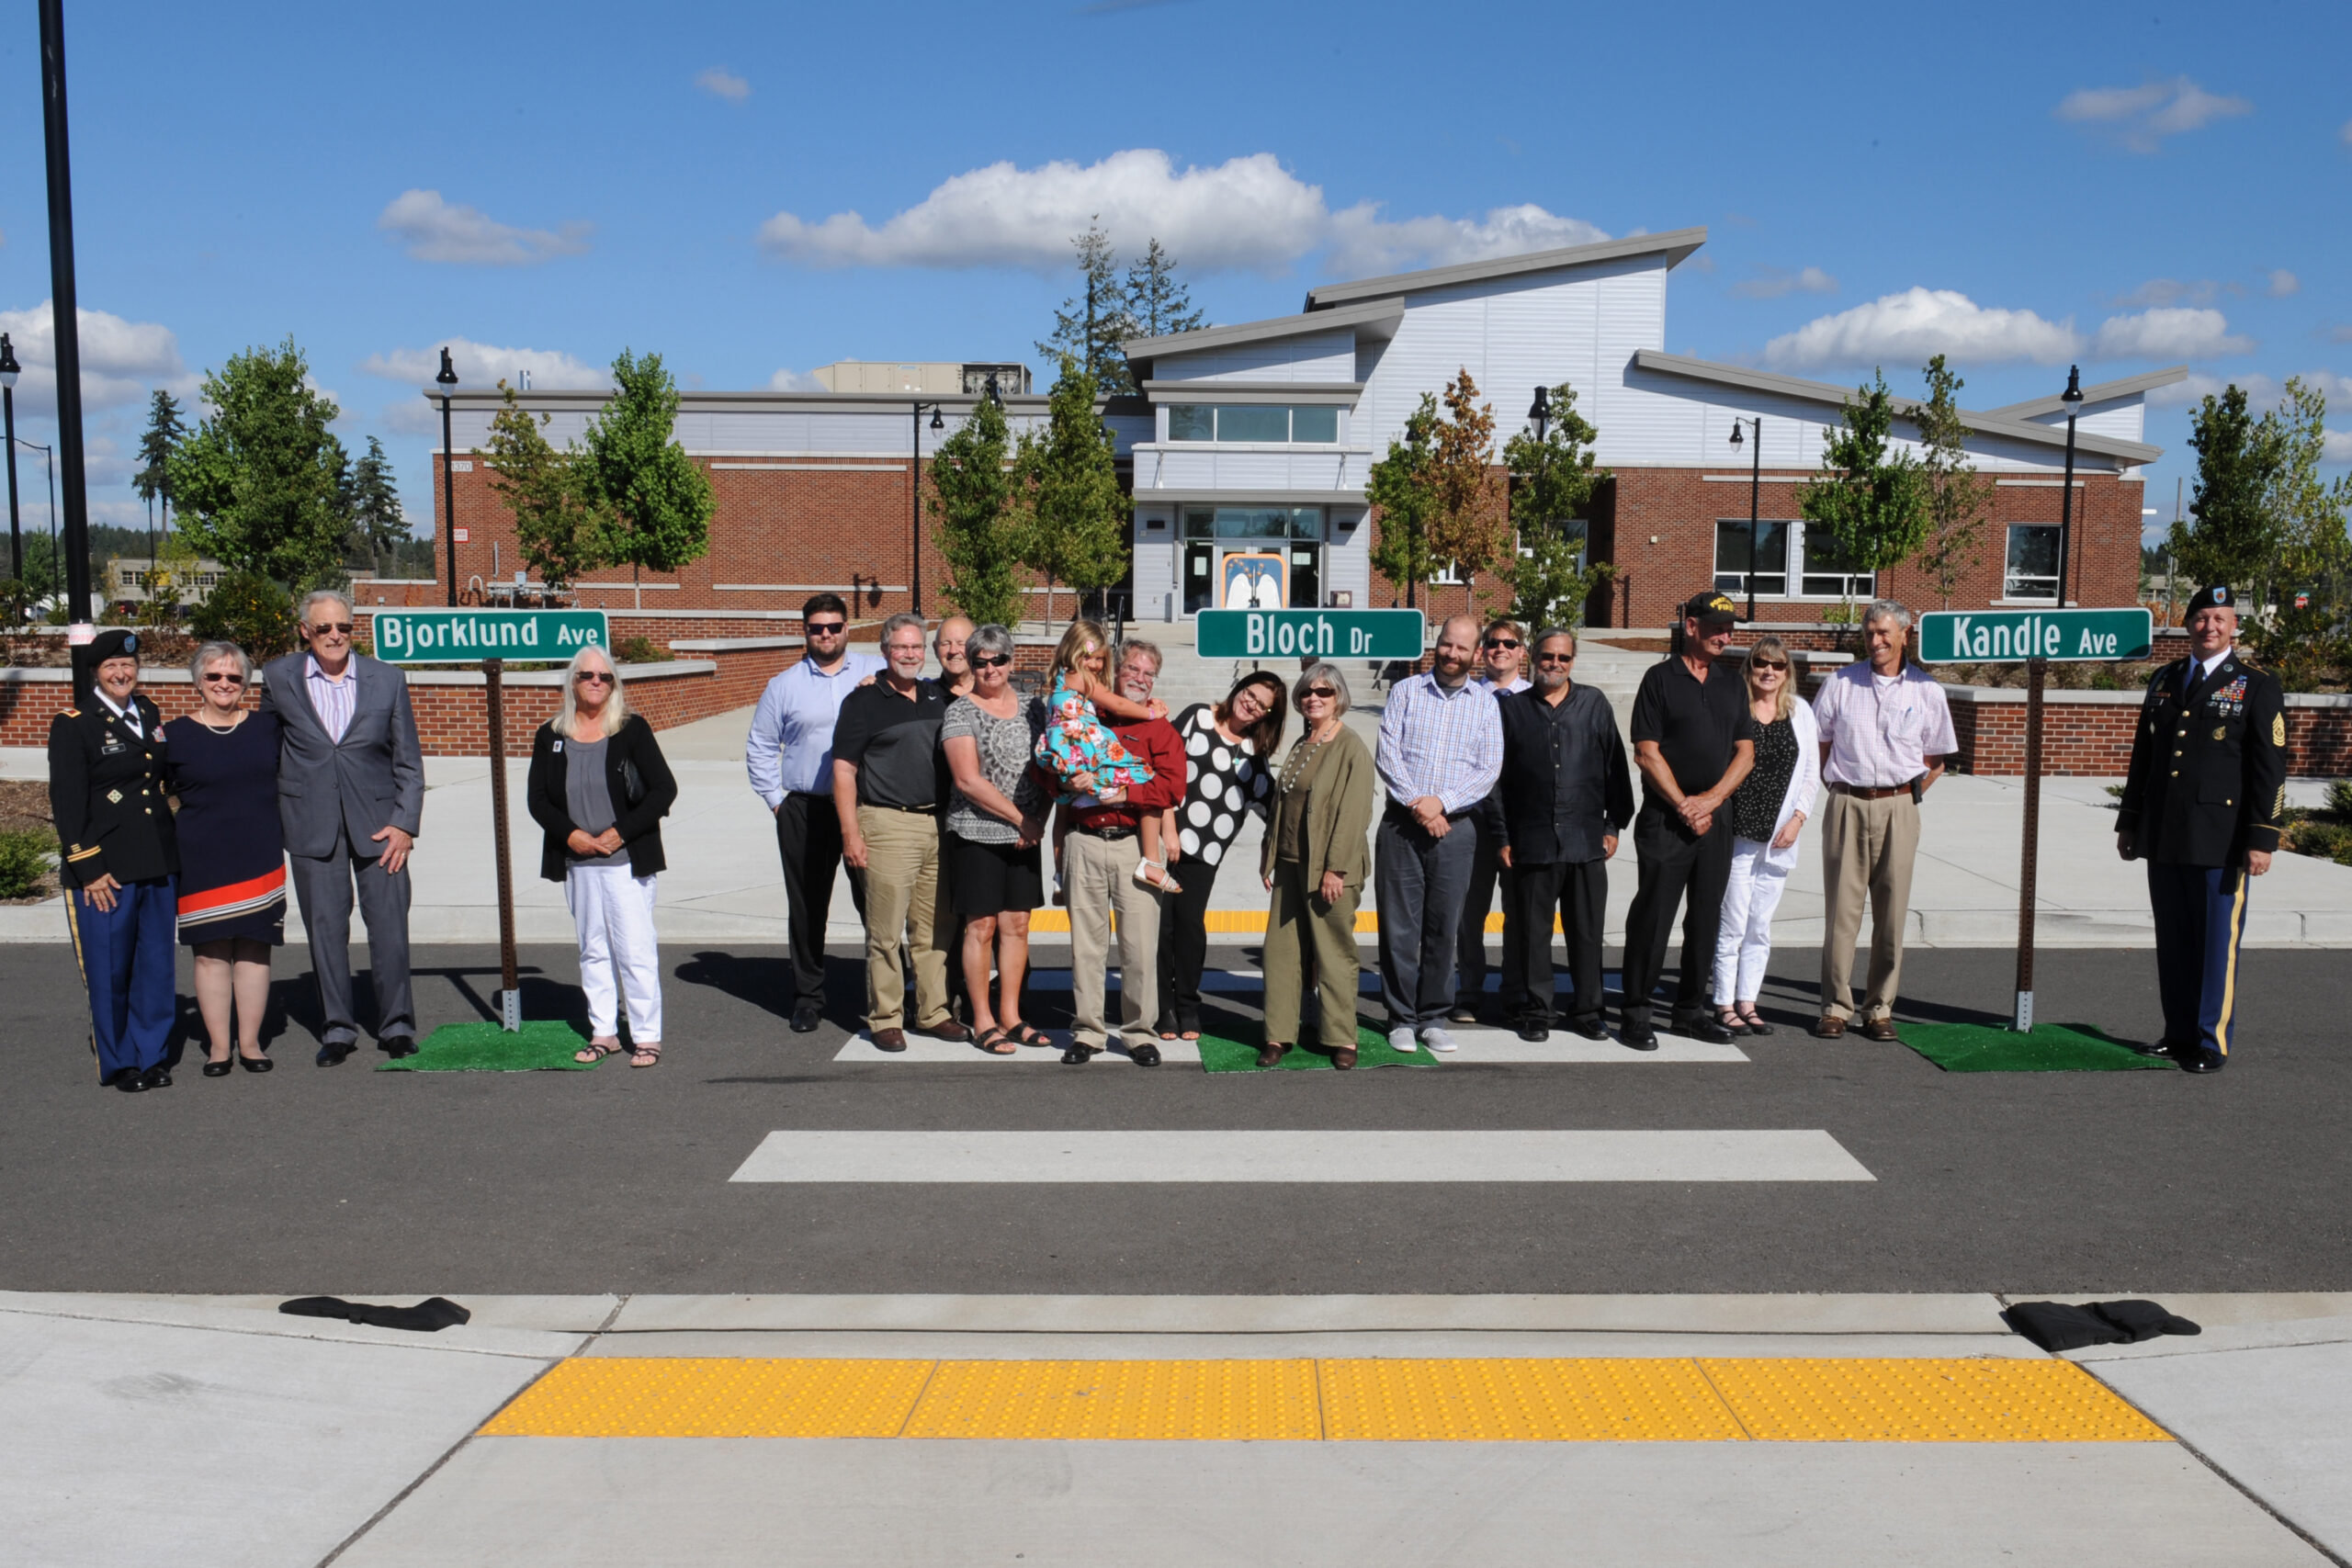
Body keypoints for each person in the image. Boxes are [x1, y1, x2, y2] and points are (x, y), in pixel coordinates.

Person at [2116, 585, 2285, 1073]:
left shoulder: (2255, 683)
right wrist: (2130, 821)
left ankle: (2211, 1041)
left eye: (2219, 618)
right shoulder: (2166, 678)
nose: (2209, 627)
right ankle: (2178, 1032)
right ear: (2188, 624)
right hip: (2165, 832)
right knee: (2174, 940)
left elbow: (2269, 766)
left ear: (2234, 626)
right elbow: (2143, 757)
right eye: (2200, 618)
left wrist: (2262, 836)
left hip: (2221, 837)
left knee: (2215, 944)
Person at [259, 590, 424, 1065]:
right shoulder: (278, 677)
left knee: (390, 929)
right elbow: (266, 750)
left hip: (380, 828)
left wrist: (405, 825)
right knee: (326, 930)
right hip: (311, 824)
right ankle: (338, 1029)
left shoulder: (387, 679)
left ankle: (396, 1026)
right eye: (325, 628)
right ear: (305, 631)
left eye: (344, 628)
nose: (335, 636)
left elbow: (408, 761)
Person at [1808, 598, 1955, 1042]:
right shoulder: (1840, 683)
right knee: (1842, 914)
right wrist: (1839, 789)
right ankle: (1835, 1007)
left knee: (1891, 916)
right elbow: (1820, 742)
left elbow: (1936, 760)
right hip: (1847, 804)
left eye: (1885, 632)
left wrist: (1906, 799)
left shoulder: (1927, 691)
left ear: (1905, 635)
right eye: (1870, 632)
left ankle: (1878, 1009)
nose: (1876, 641)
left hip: (1899, 807)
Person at [526, 644, 679, 1066]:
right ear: (572, 682)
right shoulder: (551, 735)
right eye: (587, 676)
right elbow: (538, 800)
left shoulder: (631, 730)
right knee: (592, 949)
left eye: (604, 677)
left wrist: (619, 834)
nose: (596, 682)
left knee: (634, 950)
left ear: (614, 684)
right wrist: (570, 835)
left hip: (625, 861)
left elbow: (664, 790)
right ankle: (604, 1032)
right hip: (578, 861)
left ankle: (646, 1035)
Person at [1621, 592, 1757, 1049]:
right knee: (1653, 917)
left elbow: (1746, 751)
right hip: (1666, 819)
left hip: (1715, 821)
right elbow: (1646, 751)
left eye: (1730, 628)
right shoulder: (1660, 679)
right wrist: (1684, 805)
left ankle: (1688, 1011)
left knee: (1705, 919)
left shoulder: (1732, 684)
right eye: (1717, 626)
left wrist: (1711, 800)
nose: (1726, 635)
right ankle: (1636, 1012)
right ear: (1691, 626)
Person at [747, 592, 884, 1033]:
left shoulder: (874, 673)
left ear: (848, 628)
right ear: (804, 631)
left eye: (834, 626)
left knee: (877, 902)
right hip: (804, 808)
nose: (826, 634)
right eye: (816, 627)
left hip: (866, 808)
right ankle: (808, 997)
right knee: (807, 905)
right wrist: (777, 802)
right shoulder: (783, 685)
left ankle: (891, 991)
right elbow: (761, 747)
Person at [50, 629, 179, 1092]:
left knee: (155, 966)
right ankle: (119, 1060)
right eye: (111, 668)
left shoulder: (148, 711)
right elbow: (67, 804)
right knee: (110, 969)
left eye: (128, 666)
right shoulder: (74, 722)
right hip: (107, 869)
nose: (122, 673)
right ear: (95, 674)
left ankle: (153, 1054)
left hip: (157, 858)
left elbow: (159, 780)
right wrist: (88, 869)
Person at [832, 612, 965, 1052]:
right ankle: (885, 1016)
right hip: (886, 823)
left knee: (933, 929)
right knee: (886, 931)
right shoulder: (863, 702)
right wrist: (851, 834)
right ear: (885, 651)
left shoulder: (935, 696)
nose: (909, 654)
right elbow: (844, 770)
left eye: (915, 647)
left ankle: (933, 1012)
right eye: (900, 647)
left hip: (936, 824)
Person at [1494, 628, 1634, 1042]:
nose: (1555, 664)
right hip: (1531, 841)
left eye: (1564, 658)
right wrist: (1502, 835)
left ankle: (1589, 1010)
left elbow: (1615, 769)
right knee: (1534, 934)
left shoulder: (1593, 704)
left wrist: (1613, 825)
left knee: (1588, 932)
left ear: (1573, 661)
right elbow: (1495, 781)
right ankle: (1539, 1011)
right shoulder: (1511, 709)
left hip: (1586, 839)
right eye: (1548, 656)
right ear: (1532, 657)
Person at [1373, 614, 1502, 1055]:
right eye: (1447, 644)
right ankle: (1401, 1017)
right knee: (1399, 927)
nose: (1452, 653)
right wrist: (1420, 806)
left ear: (1476, 654)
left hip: (1456, 829)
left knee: (1444, 926)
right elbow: (1387, 753)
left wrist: (1441, 803)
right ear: (1437, 644)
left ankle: (1432, 1017)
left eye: (1462, 648)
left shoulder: (1485, 704)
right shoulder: (1406, 691)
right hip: (1402, 827)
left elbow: (1488, 770)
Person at [1060, 640, 1185, 1066]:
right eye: (1132, 668)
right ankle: (1088, 1032)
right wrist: (1065, 779)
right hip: (1085, 840)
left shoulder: (1160, 729)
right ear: (1115, 672)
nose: (1139, 678)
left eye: (1148, 674)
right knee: (1087, 947)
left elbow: (1172, 787)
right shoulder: (1081, 713)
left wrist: (1125, 793)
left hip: (1136, 846)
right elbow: (1049, 766)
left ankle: (1138, 1031)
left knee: (1138, 948)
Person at [164, 641, 285, 1076]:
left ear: (246, 684)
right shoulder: (172, 735)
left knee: (255, 949)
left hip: (260, 852)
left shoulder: (267, 727)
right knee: (210, 953)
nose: (224, 684)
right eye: (214, 676)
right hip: (202, 856)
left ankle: (250, 1044)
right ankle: (219, 1048)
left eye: (234, 677)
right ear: (198, 681)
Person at [1155, 671, 1286, 1040]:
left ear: (1267, 716)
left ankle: (1187, 1006)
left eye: (1262, 705)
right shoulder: (1197, 718)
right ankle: (1163, 1008)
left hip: (1205, 853)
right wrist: (1166, 830)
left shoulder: (1254, 753)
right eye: (1250, 694)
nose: (1252, 704)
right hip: (1166, 841)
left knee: (1190, 927)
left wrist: (1269, 854)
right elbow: (1163, 770)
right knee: (1162, 927)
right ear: (1239, 688)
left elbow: (1273, 808)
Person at [941, 623, 1050, 1055]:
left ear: (1011, 659)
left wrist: (1037, 819)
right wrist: (1022, 819)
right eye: (980, 662)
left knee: (1017, 925)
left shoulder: (1035, 709)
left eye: (998, 660)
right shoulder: (960, 711)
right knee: (981, 926)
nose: (989, 669)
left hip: (1026, 835)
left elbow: (1052, 768)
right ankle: (982, 1017)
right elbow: (967, 781)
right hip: (976, 833)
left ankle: (1011, 1014)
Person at [1260, 664, 1375, 1067]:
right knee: (1281, 951)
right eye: (1308, 691)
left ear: (1338, 697)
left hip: (1330, 869)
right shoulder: (1302, 742)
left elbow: (1355, 812)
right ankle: (1278, 1033)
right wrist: (1269, 855)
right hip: (1291, 864)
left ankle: (1342, 1037)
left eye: (1324, 692)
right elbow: (1282, 805)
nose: (1314, 697)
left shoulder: (1350, 747)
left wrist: (1336, 869)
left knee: (1333, 953)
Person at [1709, 637, 1818, 1037]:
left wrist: (1798, 819)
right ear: (1749, 668)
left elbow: (1811, 773)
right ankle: (1723, 1001)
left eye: (1777, 665)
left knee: (1760, 925)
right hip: (1738, 834)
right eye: (1761, 664)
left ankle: (1748, 1001)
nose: (1768, 671)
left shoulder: (1800, 712)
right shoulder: (1736, 709)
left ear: (1787, 672)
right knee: (1733, 922)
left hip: (1779, 837)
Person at [1036, 619, 1177, 893]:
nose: (1095, 665)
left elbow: (1171, 786)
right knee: (1142, 775)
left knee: (1063, 805)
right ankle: (1152, 862)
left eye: (1100, 659)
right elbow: (1119, 705)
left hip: (1064, 750)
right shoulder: (1083, 680)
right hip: (1082, 750)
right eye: (1088, 657)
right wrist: (1151, 712)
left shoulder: (1062, 681)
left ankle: (1059, 876)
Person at [1452, 616, 1532, 1024]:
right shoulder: (1464, 696)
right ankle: (1468, 991)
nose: (1500, 649)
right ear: (1482, 652)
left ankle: (1515, 991)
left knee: (1519, 912)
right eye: (1493, 643)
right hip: (1474, 819)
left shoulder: (1536, 699)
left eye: (1509, 643)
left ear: (1522, 652)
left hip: (1520, 824)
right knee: (1471, 912)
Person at [933, 615, 976, 699]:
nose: (953, 651)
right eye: (946, 643)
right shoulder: (925, 696)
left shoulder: (993, 693)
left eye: (961, 643)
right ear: (935, 649)